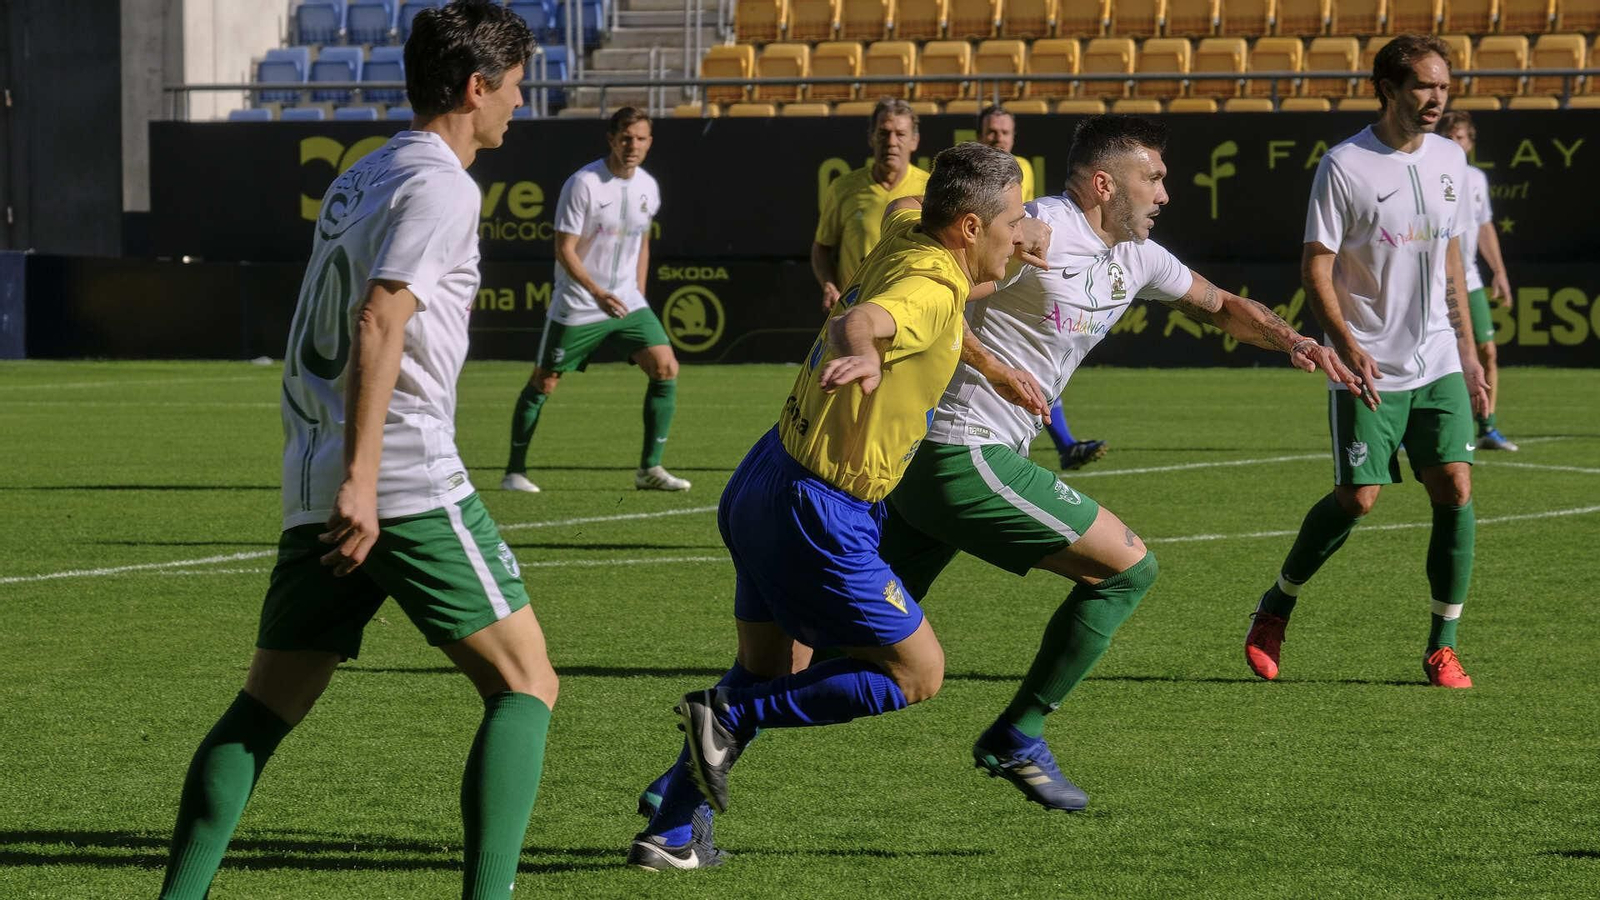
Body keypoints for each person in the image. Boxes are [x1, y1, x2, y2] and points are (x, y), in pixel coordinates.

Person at [156, 5, 558, 899]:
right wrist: (365, 481)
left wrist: (338, 474)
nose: (519, 107)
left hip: (316, 472)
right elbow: (378, 315)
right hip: (396, 477)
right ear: (475, 87)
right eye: (516, 87)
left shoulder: (364, 172)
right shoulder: (446, 187)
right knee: (527, 684)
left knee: (265, 707)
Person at [877, 115, 1361, 812]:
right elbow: (934, 271)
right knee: (1129, 568)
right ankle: (1019, 732)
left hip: (948, 468)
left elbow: (1221, 305)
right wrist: (999, 288)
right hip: (960, 451)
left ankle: (715, 736)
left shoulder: (1138, 256)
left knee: (851, 655)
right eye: (1153, 178)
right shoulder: (1037, 225)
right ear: (1105, 183)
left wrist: (1296, 342)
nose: (1165, 193)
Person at [628, 143, 1037, 870]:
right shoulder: (932, 287)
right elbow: (875, 321)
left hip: (765, 477)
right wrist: (869, 352)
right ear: (970, 227)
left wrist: (998, 359)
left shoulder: (909, 230)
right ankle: (726, 720)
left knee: (769, 667)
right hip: (821, 509)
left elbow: (919, 224)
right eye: (1014, 217)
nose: (1023, 227)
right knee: (918, 673)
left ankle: (673, 827)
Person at [1245, 34, 1491, 690]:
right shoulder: (1345, 165)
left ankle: (1443, 645)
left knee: (1457, 489)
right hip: (1370, 360)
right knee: (1359, 499)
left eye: (1443, 86)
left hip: (1437, 355)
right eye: (1422, 86)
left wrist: (1467, 353)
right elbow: (1315, 267)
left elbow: (1449, 260)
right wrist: (1345, 342)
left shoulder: (1451, 162)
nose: (1436, 98)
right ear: (1387, 89)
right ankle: (1276, 607)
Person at [502, 107, 691, 493]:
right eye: (625, 138)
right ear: (611, 139)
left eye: (640, 138)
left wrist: (636, 292)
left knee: (665, 367)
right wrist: (597, 292)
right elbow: (564, 249)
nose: (632, 145)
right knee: (545, 381)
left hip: (626, 301)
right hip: (580, 302)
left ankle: (649, 470)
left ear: (649, 142)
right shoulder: (584, 184)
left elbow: (642, 242)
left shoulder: (648, 186)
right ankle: (514, 472)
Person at [979, 104, 1107, 471]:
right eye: (990, 132)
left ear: (1013, 136)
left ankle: (1057, 444)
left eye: (1003, 132)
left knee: (1034, 366)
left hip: (1018, 270)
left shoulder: (1022, 169)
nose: (997, 138)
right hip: (983, 276)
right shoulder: (973, 173)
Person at [1439, 110, 1518, 452]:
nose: (1456, 143)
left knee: (1487, 351)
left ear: (1470, 143)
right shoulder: (1429, 173)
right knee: (1432, 356)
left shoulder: (1475, 179)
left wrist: (1499, 272)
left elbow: (1484, 226)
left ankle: (1487, 426)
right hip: (1431, 283)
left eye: (1462, 137)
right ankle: (1414, 428)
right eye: (1450, 136)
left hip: (1468, 280)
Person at [810, 98, 930, 313]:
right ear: (871, 138)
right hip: (853, 310)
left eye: (900, 134)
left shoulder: (930, 188)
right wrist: (828, 284)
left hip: (908, 310)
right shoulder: (843, 187)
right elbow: (822, 248)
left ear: (914, 141)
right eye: (884, 133)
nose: (891, 142)